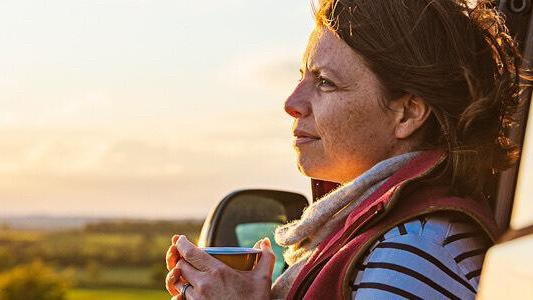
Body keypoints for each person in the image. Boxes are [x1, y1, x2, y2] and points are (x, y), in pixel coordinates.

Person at [165, 0, 526, 299]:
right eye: (301, 76)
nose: (292, 102)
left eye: (325, 82)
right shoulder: (393, 239)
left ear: (408, 113)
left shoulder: (413, 253)